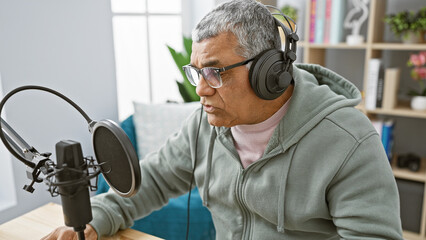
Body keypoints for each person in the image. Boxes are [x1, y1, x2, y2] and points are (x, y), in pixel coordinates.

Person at [43, 0, 403, 239]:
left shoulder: (348, 142)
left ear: (270, 72)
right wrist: (94, 222)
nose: (201, 90)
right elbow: (148, 182)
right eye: (196, 72)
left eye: (215, 72)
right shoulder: (204, 125)